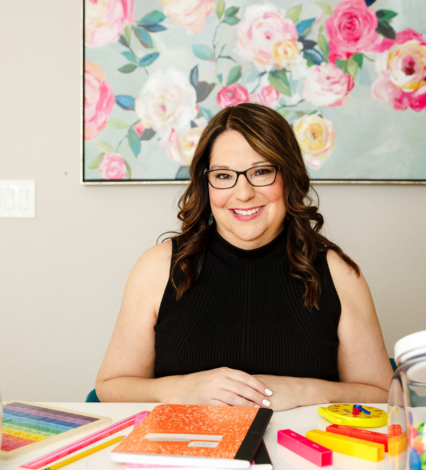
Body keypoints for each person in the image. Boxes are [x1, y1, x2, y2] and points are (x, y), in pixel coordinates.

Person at [95, 103, 391, 411]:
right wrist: (182, 389)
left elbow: (383, 393)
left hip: (308, 455)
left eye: (262, 172)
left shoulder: (338, 272)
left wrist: (305, 390)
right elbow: (110, 386)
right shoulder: (157, 268)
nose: (244, 193)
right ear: (205, 184)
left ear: (288, 176)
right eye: (224, 176)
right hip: (186, 455)